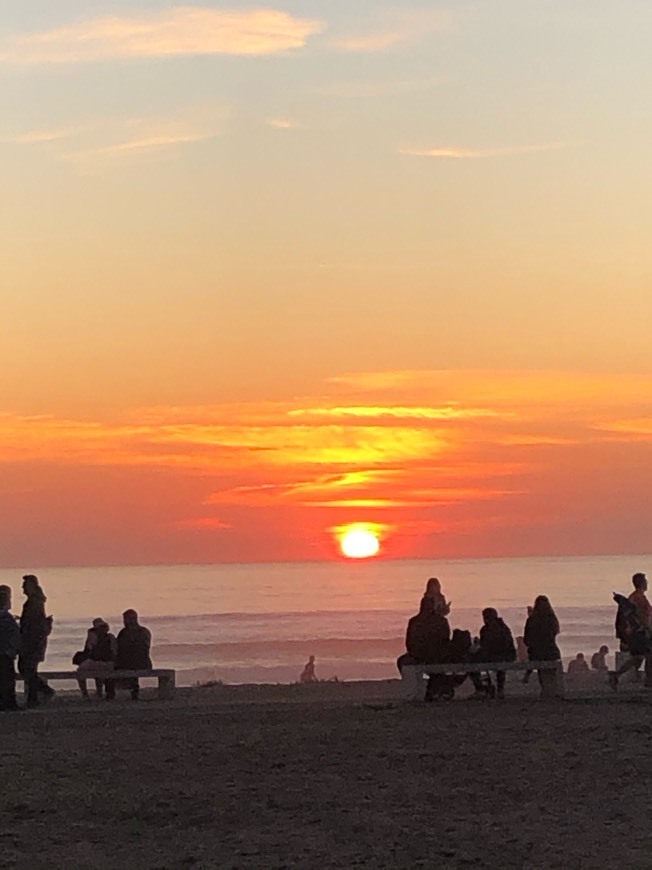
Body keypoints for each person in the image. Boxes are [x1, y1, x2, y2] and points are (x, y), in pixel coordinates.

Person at [397, 596, 451, 700]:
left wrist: (414, 653)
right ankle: (429, 688)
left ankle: (416, 688)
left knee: (401, 661)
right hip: (436, 656)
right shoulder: (441, 621)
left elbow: (409, 642)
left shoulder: (414, 621)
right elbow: (446, 640)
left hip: (420, 656)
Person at [609, 573, 652, 690]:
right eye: (645, 581)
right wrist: (649, 630)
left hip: (634, 633)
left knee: (638, 657)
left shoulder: (633, 597)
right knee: (649, 655)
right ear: (641, 583)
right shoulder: (639, 598)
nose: (647, 583)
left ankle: (616, 676)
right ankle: (649, 681)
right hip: (640, 632)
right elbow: (643, 617)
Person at [18, 574, 54, 707]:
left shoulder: (34, 603)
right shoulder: (36, 602)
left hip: (32, 642)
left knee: (27, 668)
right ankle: (34, 697)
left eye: (25, 585)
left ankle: (43, 692)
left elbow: (33, 625)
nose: (23, 588)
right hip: (33, 641)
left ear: (31, 586)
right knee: (28, 669)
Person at [469, 608, 517, 699]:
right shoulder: (503, 627)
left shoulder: (487, 629)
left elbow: (486, 646)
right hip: (507, 655)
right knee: (499, 665)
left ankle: (481, 688)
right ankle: (499, 689)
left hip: (498, 656)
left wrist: (477, 645)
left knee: (472, 660)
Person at [523, 595, 562, 696]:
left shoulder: (532, 620)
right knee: (551, 674)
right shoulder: (552, 619)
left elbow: (527, 640)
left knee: (541, 670)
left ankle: (545, 689)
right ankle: (552, 690)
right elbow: (555, 633)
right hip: (551, 651)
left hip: (537, 653)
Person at [76, 618, 118, 699]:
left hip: (102, 662)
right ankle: (98, 692)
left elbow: (88, 650)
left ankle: (86, 693)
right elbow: (115, 652)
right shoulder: (110, 637)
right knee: (96, 671)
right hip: (108, 663)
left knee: (81, 671)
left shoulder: (96, 638)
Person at [116, 609, 152, 700]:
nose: (124, 622)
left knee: (115, 665)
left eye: (125, 619)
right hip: (144, 663)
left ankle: (111, 693)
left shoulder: (124, 633)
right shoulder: (145, 631)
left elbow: (120, 649)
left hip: (130, 663)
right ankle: (133, 689)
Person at [0, 585, 21, 712]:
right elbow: (13, 635)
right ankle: (9, 703)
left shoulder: (7, 618)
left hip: (5, 651)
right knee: (7, 679)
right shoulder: (5, 619)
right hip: (5, 652)